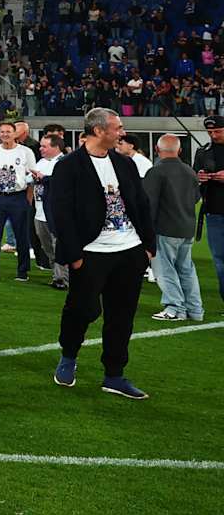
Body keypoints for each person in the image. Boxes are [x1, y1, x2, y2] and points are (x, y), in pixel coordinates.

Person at [49, 107, 156, 399]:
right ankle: (69, 355)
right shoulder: (69, 166)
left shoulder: (125, 163)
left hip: (130, 250)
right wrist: (75, 255)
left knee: (122, 317)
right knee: (81, 310)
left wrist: (148, 246)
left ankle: (114, 375)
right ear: (98, 131)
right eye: (117, 128)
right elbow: (61, 214)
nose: (122, 132)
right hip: (91, 253)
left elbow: (141, 204)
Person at [141, 133, 203, 322]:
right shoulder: (189, 171)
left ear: (157, 149)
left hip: (165, 228)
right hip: (187, 227)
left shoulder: (156, 171)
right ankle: (195, 310)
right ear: (180, 150)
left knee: (165, 270)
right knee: (186, 269)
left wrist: (146, 232)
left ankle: (175, 308)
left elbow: (148, 204)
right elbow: (196, 198)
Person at [0, 120, 35, 281]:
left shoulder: (25, 152)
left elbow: (31, 177)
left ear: (14, 133)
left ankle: (23, 272)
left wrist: (28, 200)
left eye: (8, 131)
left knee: (21, 236)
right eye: (2, 132)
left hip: (18, 197)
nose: (5, 134)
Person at [30, 131, 71, 290]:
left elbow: (61, 183)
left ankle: (62, 279)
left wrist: (43, 178)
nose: (40, 149)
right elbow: (31, 180)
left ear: (56, 147)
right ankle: (57, 275)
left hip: (56, 213)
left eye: (44, 146)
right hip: (40, 212)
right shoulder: (41, 162)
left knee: (58, 246)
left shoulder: (65, 163)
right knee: (47, 247)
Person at [197, 116, 224, 309]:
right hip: (213, 213)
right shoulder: (202, 152)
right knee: (220, 261)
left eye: (218, 131)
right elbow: (194, 179)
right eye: (210, 132)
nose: (213, 135)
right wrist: (199, 177)